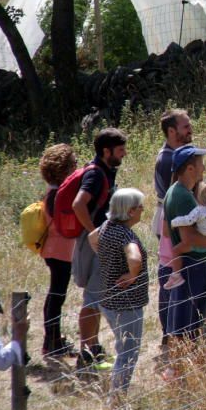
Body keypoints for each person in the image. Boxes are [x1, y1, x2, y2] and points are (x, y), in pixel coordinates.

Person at [72, 127, 127, 372]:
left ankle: (92, 348)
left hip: (99, 240)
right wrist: (94, 232)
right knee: (92, 297)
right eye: (120, 149)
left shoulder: (105, 170)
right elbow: (78, 204)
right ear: (107, 151)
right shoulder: (95, 175)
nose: (124, 154)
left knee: (98, 295)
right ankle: (86, 353)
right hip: (94, 242)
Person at [165, 146, 206, 341]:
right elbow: (190, 239)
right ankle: (187, 365)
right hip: (195, 267)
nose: (204, 167)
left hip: (193, 265)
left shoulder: (177, 191)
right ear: (190, 169)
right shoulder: (183, 196)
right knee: (192, 324)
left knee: (190, 322)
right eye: (200, 163)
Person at [89, 188, 149, 397]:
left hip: (108, 301)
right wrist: (133, 276)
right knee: (128, 354)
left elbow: (91, 238)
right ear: (131, 211)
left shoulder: (106, 227)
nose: (143, 210)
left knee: (122, 349)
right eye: (140, 207)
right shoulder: (125, 235)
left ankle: (116, 394)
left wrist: (107, 257)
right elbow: (135, 259)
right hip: (127, 304)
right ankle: (117, 398)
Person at [152, 109, 193, 356]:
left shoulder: (176, 154)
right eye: (185, 126)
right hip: (171, 222)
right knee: (170, 275)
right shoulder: (168, 159)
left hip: (175, 219)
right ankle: (169, 333)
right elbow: (174, 198)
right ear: (171, 131)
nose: (190, 129)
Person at [38, 143, 78, 359]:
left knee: (56, 295)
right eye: (73, 164)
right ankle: (51, 342)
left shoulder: (54, 191)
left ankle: (52, 339)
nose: (76, 167)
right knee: (56, 296)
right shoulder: (57, 194)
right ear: (64, 168)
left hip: (56, 250)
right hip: (59, 252)